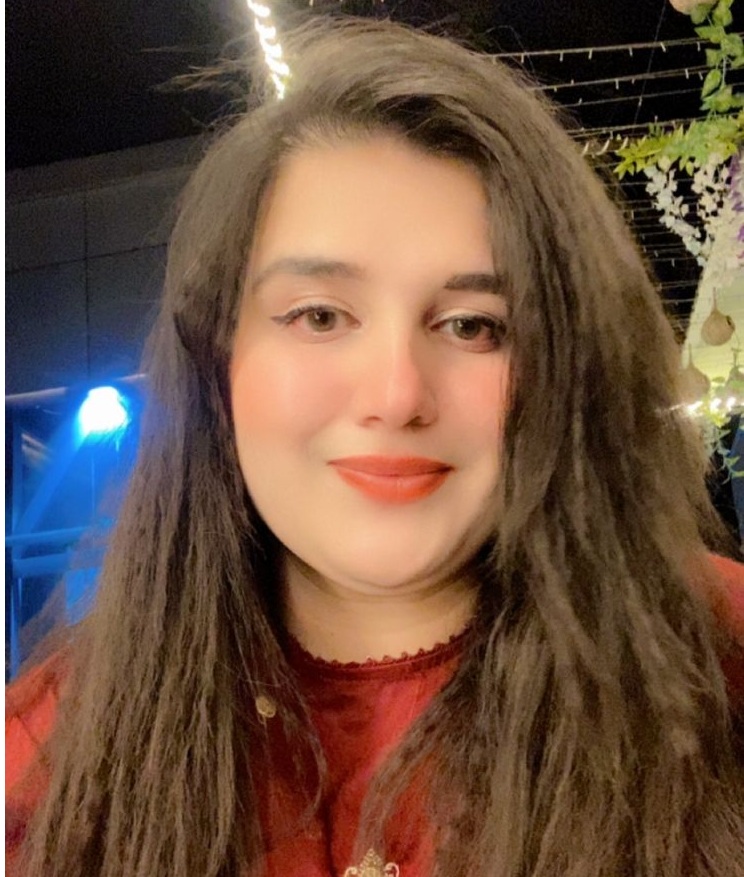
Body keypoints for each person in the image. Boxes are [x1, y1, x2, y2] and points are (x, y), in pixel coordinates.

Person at [6, 17, 744, 877]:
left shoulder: (721, 659)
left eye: (473, 326)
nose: (396, 395)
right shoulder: (50, 749)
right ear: (218, 357)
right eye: (319, 316)